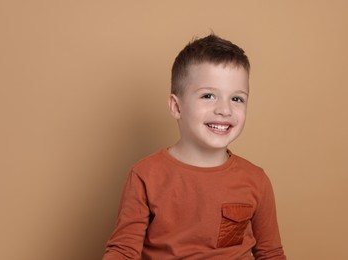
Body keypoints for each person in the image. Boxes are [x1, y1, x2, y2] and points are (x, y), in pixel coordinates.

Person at [103, 34, 286, 259]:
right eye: (208, 96)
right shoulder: (145, 176)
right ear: (176, 107)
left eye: (237, 99)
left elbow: (271, 253)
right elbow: (123, 252)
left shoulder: (256, 180)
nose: (225, 110)